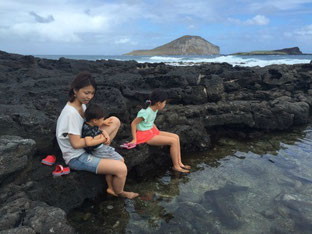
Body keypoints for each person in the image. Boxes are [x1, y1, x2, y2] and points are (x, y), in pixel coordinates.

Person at [56, 71, 138, 199]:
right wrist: (100, 138)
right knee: (121, 169)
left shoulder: (82, 105)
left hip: (88, 143)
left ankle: (102, 150)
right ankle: (119, 192)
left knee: (115, 121)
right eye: (86, 93)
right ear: (75, 90)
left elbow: (87, 123)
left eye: (92, 93)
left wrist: (102, 123)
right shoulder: (70, 114)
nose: (89, 97)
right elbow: (76, 144)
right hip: (77, 156)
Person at [128, 89, 191, 173]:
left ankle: (180, 163)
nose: (165, 104)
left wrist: (157, 131)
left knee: (176, 137)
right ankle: (176, 166)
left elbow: (150, 122)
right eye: (164, 103)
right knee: (173, 141)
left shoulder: (155, 109)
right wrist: (134, 139)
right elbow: (133, 124)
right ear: (159, 103)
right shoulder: (145, 113)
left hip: (151, 131)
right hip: (144, 135)